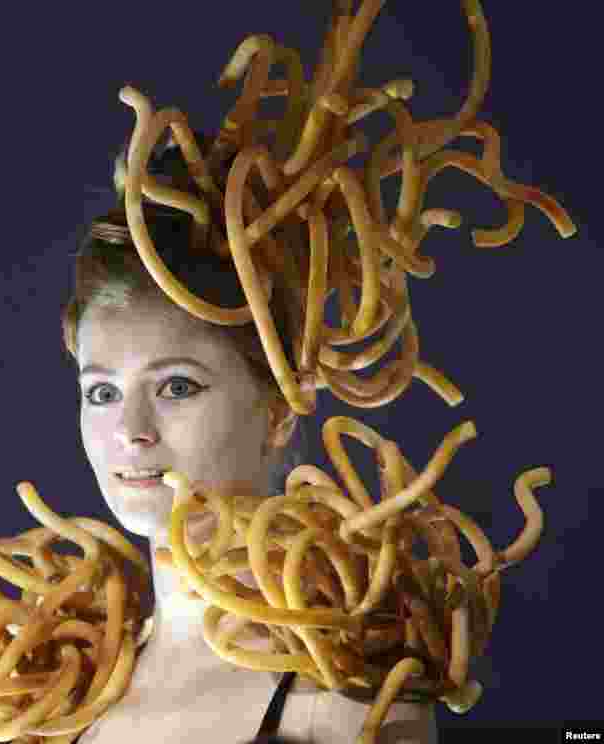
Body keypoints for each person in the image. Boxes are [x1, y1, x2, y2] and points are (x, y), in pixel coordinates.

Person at [55, 145, 438, 743]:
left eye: (177, 386)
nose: (132, 431)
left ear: (279, 410)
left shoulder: (343, 698)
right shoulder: (62, 695)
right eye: (101, 392)